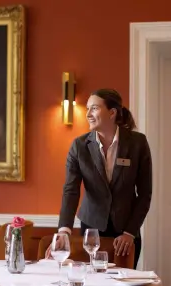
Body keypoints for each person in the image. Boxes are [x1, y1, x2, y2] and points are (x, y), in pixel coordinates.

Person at [47, 89, 152, 269]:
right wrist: (64, 231)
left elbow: (144, 193)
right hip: (91, 229)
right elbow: (70, 191)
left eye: (94, 108)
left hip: (125, 231)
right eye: (88, 108)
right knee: (94, 284)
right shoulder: (79, 146)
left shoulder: (137, 143)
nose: (88, 114)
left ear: (112, 113)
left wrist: (129, 233)